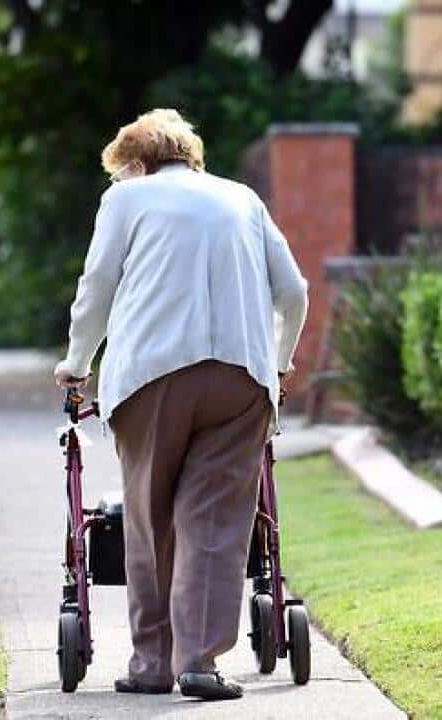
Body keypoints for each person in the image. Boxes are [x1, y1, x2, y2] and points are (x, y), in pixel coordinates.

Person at [53, 108, 308, 701]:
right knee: (215, 522)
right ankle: (200, 662)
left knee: (151, 517)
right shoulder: (243, 199)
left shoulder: (126, 199)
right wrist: (279, 362)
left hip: (151, 375)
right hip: (241, 377)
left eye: (121, 170)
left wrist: (76, 363)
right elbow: (293, 292)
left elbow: (97, 289)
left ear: (138, 164)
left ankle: (152, 663)